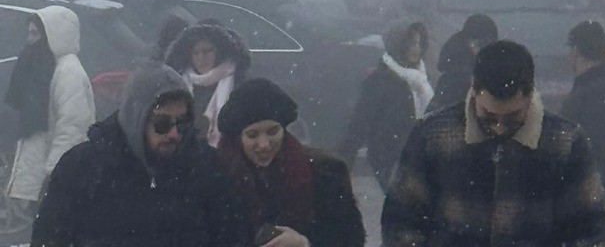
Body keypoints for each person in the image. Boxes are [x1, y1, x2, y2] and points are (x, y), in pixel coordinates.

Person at [382, 40, 605, 247]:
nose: (499, 127)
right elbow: (402, 221)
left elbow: (591, 230)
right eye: (489, 116)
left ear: (530, 94)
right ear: (474, 89)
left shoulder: (564, 143)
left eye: (512, 117)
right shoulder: (433, 136)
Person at [31, 64, 249, 247]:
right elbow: (49, 238)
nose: (174, 134)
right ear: (137, 120)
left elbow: (232, 236)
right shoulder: (82, 168)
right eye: (162, 124)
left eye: (182, 123)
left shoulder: (206, 168)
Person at [217, 78, 365, 247]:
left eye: (273, 132)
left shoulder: (325, 174)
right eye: (253, 135)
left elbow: (349, 239)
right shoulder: (218, 178)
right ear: (238, 139)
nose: (264, 144)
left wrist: (305, 243)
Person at [4, 6, 95, 208]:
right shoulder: (44, 68)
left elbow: (72, 131)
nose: (29, 40)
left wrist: (53, 176)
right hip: (45, 181)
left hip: (57, 182)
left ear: (52, 35)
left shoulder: (67, 73)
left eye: (35, 34)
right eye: (28, 33)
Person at [339, 22, 433, 190]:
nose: (416, 49)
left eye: (420, 44)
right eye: (412, 43)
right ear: (399, 45)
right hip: (391, 159)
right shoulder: (380, 81)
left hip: (420, 158)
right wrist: (345, 161)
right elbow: (360, 122)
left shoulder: (421, 79)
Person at [561, 21, 605, 196]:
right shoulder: (598, 85)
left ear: (576, 51)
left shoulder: (597, 90)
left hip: (585, 185)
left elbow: (598, 144)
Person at [165, 19, 251, 146]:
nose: (201, 58)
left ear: (220, 52)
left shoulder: (240, 85)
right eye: (195, 53)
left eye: (207, 51)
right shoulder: (179, 86)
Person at [426, 13, 497, 114]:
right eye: (478, 44)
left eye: (488, 44)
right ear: (467, 43)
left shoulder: (497, 77)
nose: (483, 49)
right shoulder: (455, 79)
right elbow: (433, 120)